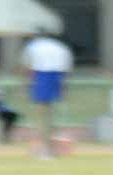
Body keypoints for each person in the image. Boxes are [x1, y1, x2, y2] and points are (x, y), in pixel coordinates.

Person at [21, 26, 74, 159]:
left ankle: (46, 149)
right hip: (56, 75)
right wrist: (63, 87)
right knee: (51, 114)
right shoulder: (60, 46)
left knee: (43, 115)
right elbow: (66, 69)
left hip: (41, 75)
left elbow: (27, 67)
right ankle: (50, 147)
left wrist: (26, 85)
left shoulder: (33, 46)